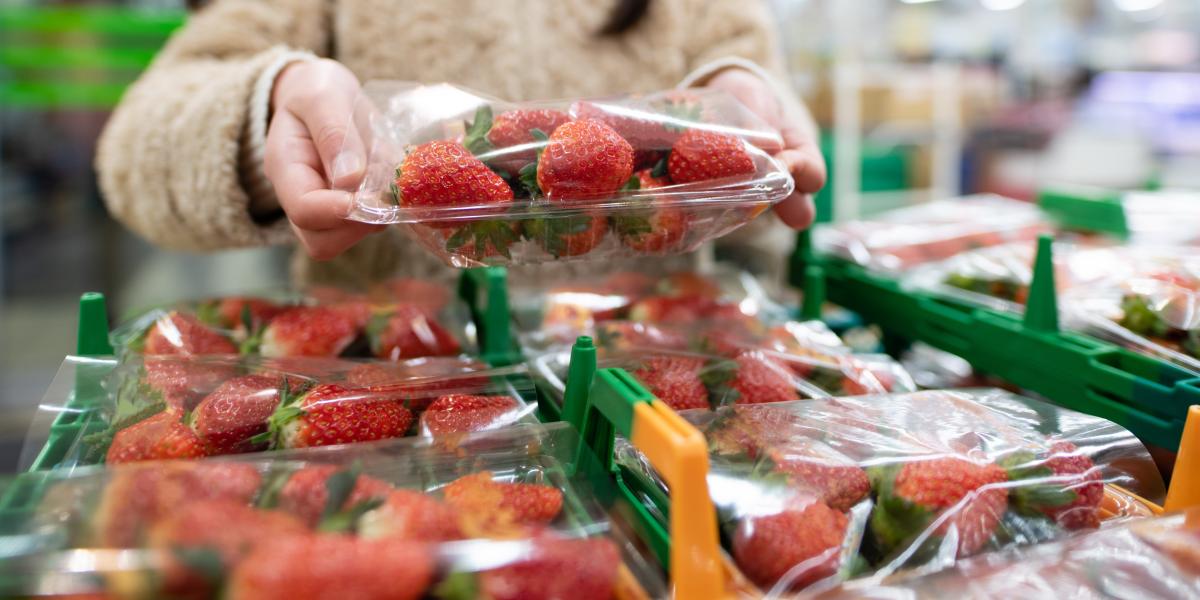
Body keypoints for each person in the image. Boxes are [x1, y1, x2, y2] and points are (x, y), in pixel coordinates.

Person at [96, 0, 825, 289]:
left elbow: (743, 66)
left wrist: (742, 97)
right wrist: (274, 110)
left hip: (648, 378)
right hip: (405, 387)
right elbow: (132, 151)